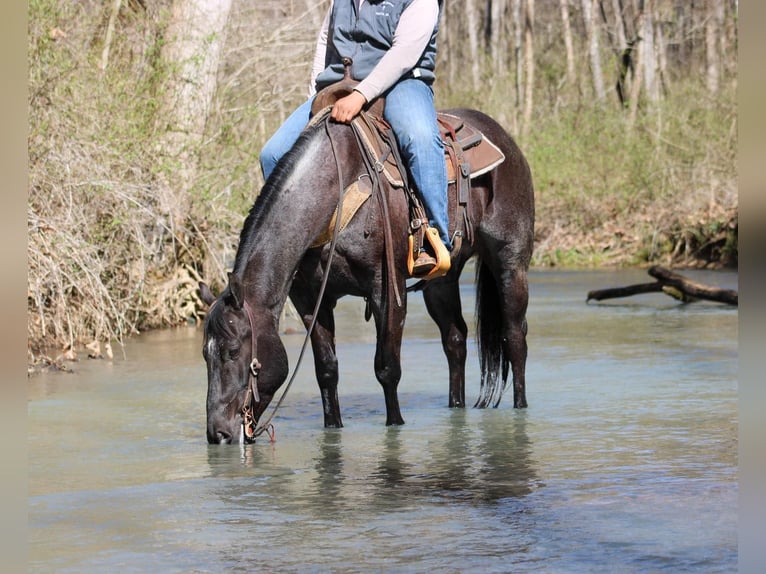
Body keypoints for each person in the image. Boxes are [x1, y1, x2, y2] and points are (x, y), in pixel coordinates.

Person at [259, 0, 450, 275]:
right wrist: (314, 93)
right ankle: (291, 243)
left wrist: (361, 95)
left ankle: (434, 236)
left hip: (403, 82)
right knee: (273, 154)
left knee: (417, 136)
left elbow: (404, 54)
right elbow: (325, 40)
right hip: (339, 83)